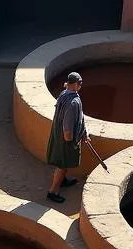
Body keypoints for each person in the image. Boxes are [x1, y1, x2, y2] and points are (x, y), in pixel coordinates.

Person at [46, 72, 88, 204]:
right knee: (62, 165)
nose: (81, 85)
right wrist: (70, 141)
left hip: (59, 134)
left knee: (63, 163)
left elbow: (79, 118)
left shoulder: (64, 94)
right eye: (80, 83)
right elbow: (68, 125)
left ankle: (63, 180)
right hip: (66, 138)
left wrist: (83, 133)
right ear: (75, 84)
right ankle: (53, 192)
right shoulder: (73, 102)